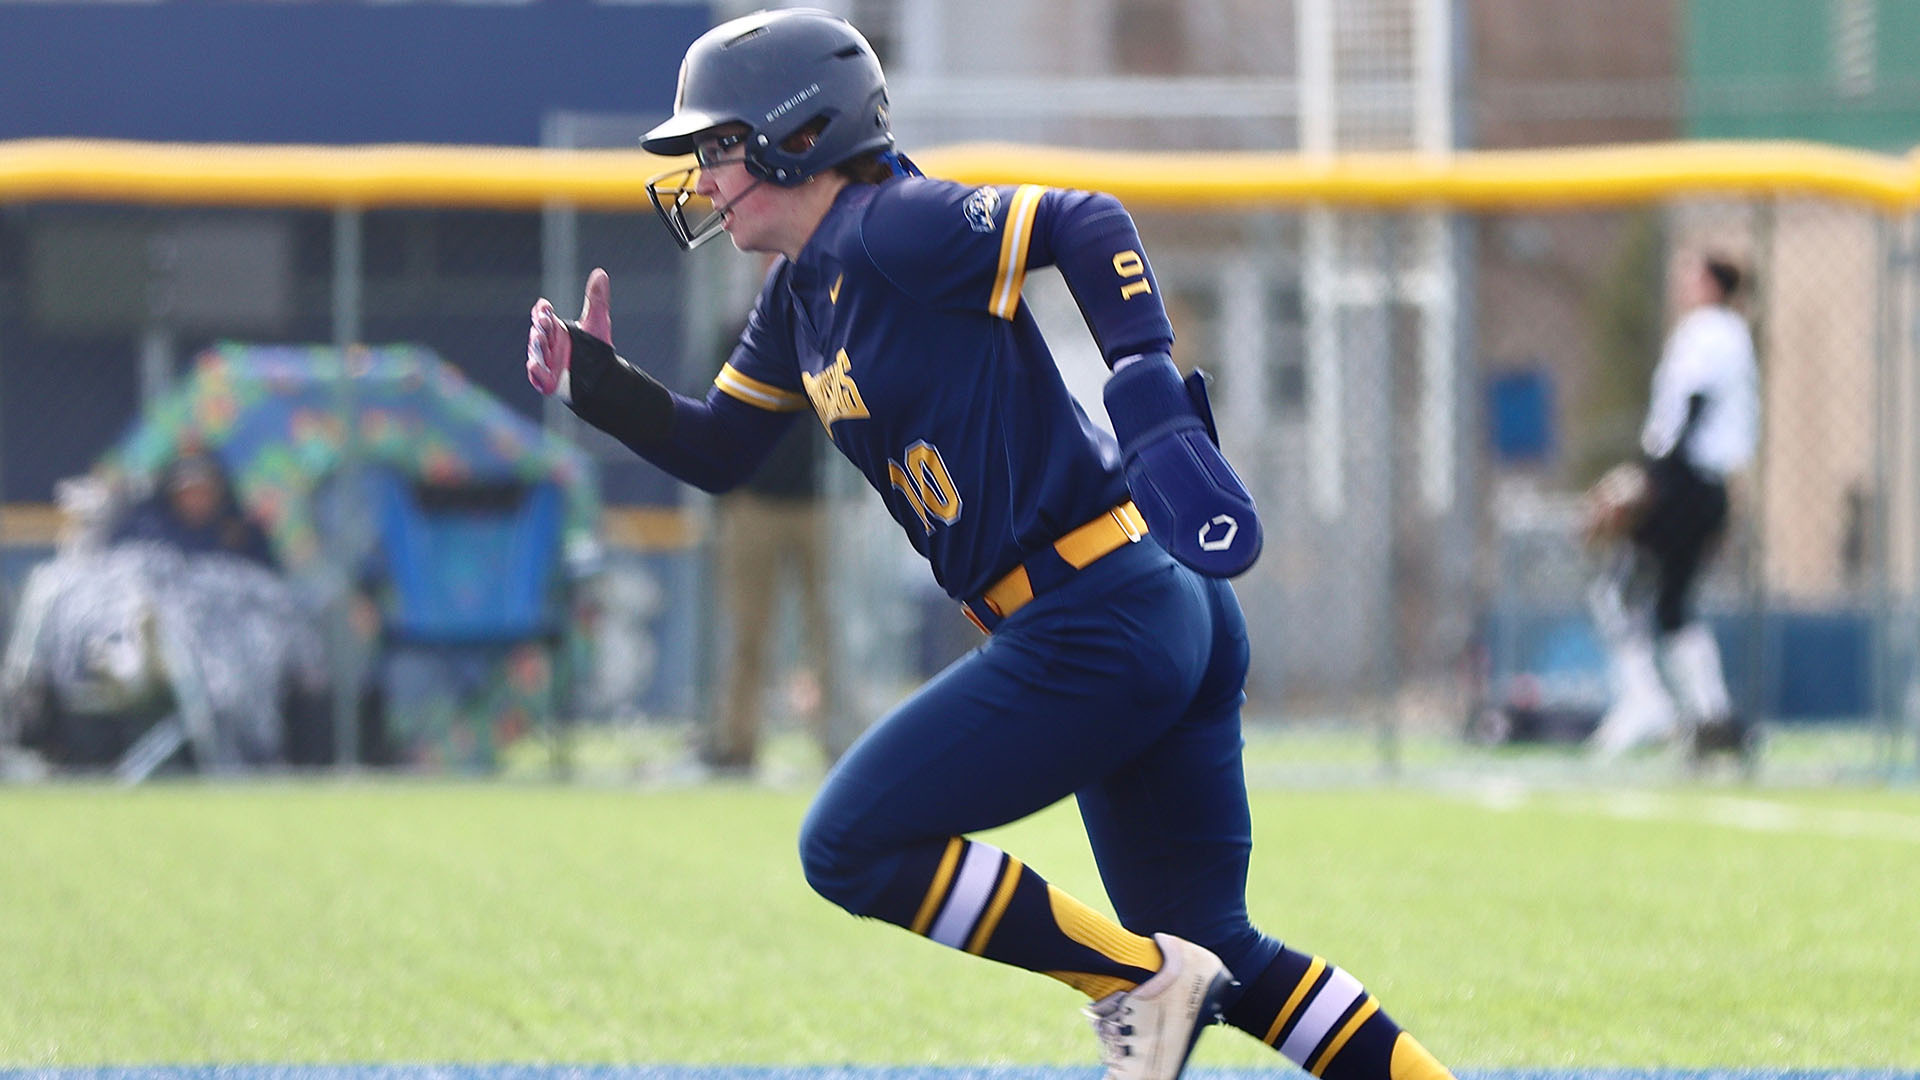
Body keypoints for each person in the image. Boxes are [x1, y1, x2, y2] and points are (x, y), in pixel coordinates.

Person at [526, 11, 1453, 1080]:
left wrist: (1148, 395)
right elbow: (725, 447)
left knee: (849, 844)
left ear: (797, 133)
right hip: (1138, 603)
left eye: (721, 144)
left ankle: (1139, 985)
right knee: (1221, 954)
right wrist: (605, 390)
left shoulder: (885, 226)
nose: (703, 172)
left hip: (1094, 609)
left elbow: (1086, 220)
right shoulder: (797, 296)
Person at [1584, 249, 1760, 764]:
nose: (1681, 282)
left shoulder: (1707, 330)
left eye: (1690, 274)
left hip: (1682, 480)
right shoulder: (1729, 333)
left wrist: (1650, 479)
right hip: (1705, 484)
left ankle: (1647, 702)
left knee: (1615, 591)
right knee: (1672, 605)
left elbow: (1691, 408)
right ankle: (1712, 715)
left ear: (1710, 283)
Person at [708, 407, 847, 775]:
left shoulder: (825, 347)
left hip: (818, 499)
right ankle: (738, 742)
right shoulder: (737, 345)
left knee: (826, 629)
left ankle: (837, 737)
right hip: (752, 498)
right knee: (747, 630)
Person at [110, 450, 279, 570]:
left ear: (219, 495)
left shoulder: (242, 537)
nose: (196, 500)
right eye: (188, 492)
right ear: (173, 496)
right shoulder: (146, 526)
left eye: (204, 492)